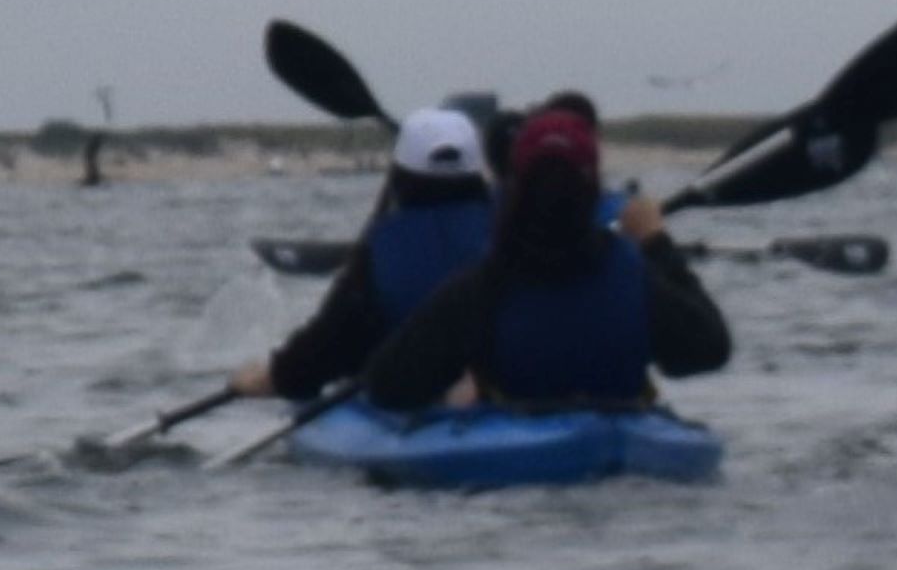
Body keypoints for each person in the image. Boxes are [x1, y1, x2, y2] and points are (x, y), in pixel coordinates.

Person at [362, 104, 731, 413]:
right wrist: (655, 242)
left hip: (512, 460)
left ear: (514, 190)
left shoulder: (482, 288)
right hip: (622, 454)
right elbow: (710, 350)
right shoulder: (634, 276)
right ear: (592, 189)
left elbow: (387, 386)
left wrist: (458, 380)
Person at [232, 106, 497, 403]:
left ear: (400, 175)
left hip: (411, 392)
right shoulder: (513, 228)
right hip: (509, 392)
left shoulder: (379, 249)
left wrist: (277, 376)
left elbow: (328, 342)